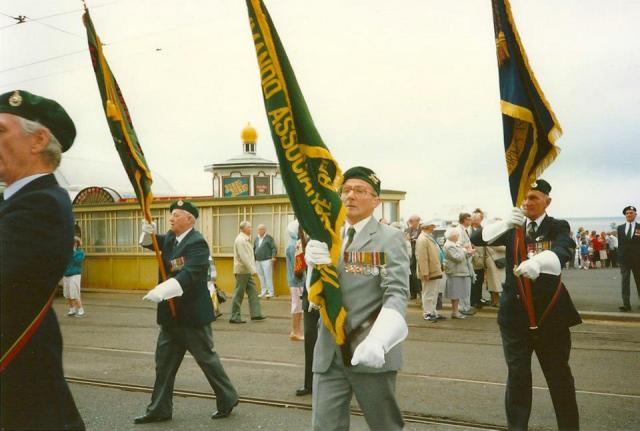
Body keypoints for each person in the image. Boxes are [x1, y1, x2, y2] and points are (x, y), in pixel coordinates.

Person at [0, 90, 85, 429]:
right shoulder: (23, 200)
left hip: (20, 369)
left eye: (0, 131)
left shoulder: (42, 203)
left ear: (38, 140)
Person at [471, 179, 581, 430]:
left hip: (549, 316)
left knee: (559, 376)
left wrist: (540, 262)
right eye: (525, 198)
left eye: (534, 197)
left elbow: (565, 250)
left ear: (547, 201)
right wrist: (504, 223)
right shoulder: (514, 226)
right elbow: (478, 239)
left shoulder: (557, 226)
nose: (528, 202)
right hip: (515, 316)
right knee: (518, 377)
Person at [305, 166, 409, 431]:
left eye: (360, 191)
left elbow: (396, 293)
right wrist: (310, 270)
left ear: (376, 201)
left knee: (385, 425)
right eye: (346, 190)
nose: (350, 196)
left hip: (369, 349)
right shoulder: (326, 235)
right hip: (329, 352)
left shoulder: (390, 238)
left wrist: (379, 340)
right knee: (324, 427)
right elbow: (315, 297)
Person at [134, 200, 239, 423]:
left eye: (176, 215)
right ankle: (159, 409)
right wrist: (146, 233)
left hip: (192, 316)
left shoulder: (197, 243)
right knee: (163, 364)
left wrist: (162, 290)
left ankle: (228, 397)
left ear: (189, 219)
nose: (171, 218)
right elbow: (152, 243)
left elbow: (189, 275)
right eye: (171, 214)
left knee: (206, 360)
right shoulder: (172, 238)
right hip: (170, 317)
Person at [296, 223, 319, 397]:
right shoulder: (309, 240)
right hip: (310, 299)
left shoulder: (336, 240)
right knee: (310, 342)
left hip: (330, 300)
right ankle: (309, 383)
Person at [230, 221, 266, 323]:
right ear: (243, 229)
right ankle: (234, 316)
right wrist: (253, 270)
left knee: (253, 292)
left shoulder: (245, 239)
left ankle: (256, 314)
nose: (251, 229)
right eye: (249, 227)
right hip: (242, 270)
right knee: (239, 293)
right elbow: (244, 257)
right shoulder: (241, 240)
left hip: (246, 270)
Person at [415, 220, 444, 322]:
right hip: (430, 271)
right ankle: (427, 313)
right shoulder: (422, 239)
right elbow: (422, 258)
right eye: (432, 225)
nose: (434, 227)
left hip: (435, 269)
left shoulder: (429, 237)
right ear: (427, 227)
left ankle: (433, 311)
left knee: (434, 292)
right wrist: (425, 272)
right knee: (428, 293)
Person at [443, 227, 474, 319]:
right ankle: (455, 312)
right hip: (455, 272)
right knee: (455, 294)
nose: (458, 236)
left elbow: (461, 256)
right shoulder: (449, 246)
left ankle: (455, 312)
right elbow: (458, 258)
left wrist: (469, 253)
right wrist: (465, 251)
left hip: (458, 272)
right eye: (457, 234)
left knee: (457, 293)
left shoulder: (454, 244)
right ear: (452, 236)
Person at [617, 205, 640, 312]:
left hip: (637, 260)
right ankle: (626, 304)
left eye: (631, 213)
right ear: (625, 215)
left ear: (635, 214)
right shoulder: (620, 228)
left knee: (639, 282)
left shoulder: (639, 227)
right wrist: (619, 258)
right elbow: (620, 244)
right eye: (627, 213)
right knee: (625, 282)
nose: (629, 215)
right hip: (624, 260)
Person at [285, 220, 304, 341]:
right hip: (297, 281)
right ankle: (296, 331)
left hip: (295, 280)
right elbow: (298, 268)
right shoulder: (295, 245)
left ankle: (295, 331)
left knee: (296, 306)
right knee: (297, 306)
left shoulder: (292, 243)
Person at [456, 212, 477, 315]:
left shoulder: (465, 230)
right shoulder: (459, 231)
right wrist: (468, 250)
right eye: (469, 219)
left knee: (467, 285)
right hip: (462, 262)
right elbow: (458, 246)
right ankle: (463, 307)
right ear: (464, 220)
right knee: (464, 285)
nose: (470, 221)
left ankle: (466, 306)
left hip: (467, 260)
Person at [63, 236, 86, 317]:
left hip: (75, 275)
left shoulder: (80, 252)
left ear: (77, 244)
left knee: (74, 293)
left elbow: (77, 261)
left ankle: (81, 310)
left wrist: (72, 252)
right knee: (68, 293)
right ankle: (72, 309)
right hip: (66, 274)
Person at [254, 223, 277, 298]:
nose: (260, 231)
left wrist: (273, 256)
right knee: (261, 276)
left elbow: (274, 248)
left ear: (264, 230)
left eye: (261, 229)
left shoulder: (269, 238)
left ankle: (271, 292)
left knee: (268, 276)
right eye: (259, 229)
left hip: (267, 260)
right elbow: (254, 249)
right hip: (257, 260)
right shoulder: (256, 238)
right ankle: (263, 291)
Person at [469, 210, 487, 308]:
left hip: (482, 258)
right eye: (479, 219)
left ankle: (479, 298)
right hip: (474, 258)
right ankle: (473, 300)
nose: (480, 220)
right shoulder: (469, 230)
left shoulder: (482, 229)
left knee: (480, 280)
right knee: (474, 281)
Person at [404, 214, 422, 300]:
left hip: (419, 254)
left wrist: (414, 240)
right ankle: (413, 293)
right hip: (410, 254)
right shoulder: (407, 230)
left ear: (417, 221)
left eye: (412, 221)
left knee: (418, 274)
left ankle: (419, 292)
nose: (410, 223)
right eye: (409, 221)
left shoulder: (422, 230)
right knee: (411, 274)